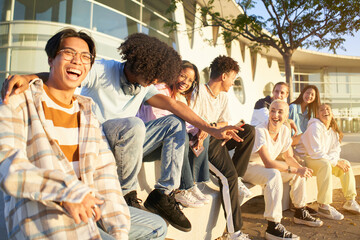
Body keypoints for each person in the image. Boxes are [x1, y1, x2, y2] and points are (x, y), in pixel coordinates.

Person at [1, 33, 241, 232]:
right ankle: (127, 194)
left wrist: (210, 128)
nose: (153, 81)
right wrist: (28, 77)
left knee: (173, 123)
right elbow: (66, 76)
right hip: (100, 139)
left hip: (129, 145)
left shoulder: (143, 84)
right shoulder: (104, 69)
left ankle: (163, 193)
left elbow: (175, 105)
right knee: (133, 124)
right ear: (138, 64)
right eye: (151, 76)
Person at [0, 28, 167, 240]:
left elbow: (105, 176)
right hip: (46, 215)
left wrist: (119, 231)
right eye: (68, 53)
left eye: (85, 56)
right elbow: (8, 167)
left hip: (88, 207)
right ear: (51, 59)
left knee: (156, 227)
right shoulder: (19, 101)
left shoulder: (88, 114)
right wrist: (68, 192)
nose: (78, 61)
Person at [188, 55, 255, 240]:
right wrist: (208, 129)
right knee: (228, 177)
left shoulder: (223, 97)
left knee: (248, 130)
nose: (233, 83)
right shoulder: (198, 91)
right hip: (202, 142)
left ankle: (238, 178)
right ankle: (235, 233)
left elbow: (224, 121)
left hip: (217, 136)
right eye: (233, 78)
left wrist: (217, 128)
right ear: (224, 76)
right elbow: (191, 120)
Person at [243, 100, 323, 240]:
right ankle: (273, 226)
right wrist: (295, 169)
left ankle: (300, 211)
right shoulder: (260, 130)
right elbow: (268, 162)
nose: (275, 114)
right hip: (250, 167)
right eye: (273, 110)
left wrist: (300, 169)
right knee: (275, 174)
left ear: (286, 116)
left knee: (298, 172)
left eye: (280, 112)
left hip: (266, 168)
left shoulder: (285, 131)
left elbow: (288, 157)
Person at [137, 60, 210, 208]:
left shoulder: (178, 96)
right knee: (179, 133)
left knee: (202, 133)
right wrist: (196, 126)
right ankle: (182, 188)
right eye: (183, 76)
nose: (186, 82)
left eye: (190, 80)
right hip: (146, 142)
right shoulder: (160, 90)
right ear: (173, 74)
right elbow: (162, 122)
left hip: (158, 141)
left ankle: (192, 184)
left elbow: (186, 121)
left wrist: (200, 129)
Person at [295, 103, 360, 220]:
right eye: (321, 110)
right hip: (304, 159)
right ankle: (324, 205)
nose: (325, 111)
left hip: (320, 159)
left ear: (332, 114)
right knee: (325, 165)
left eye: (328, 109)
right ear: (318, 115)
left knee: (345, 164)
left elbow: (335, 151)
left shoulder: (333, 131)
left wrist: (337, 162)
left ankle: (350, 201)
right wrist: (335, 162)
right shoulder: (314, 127)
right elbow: (315, 152)